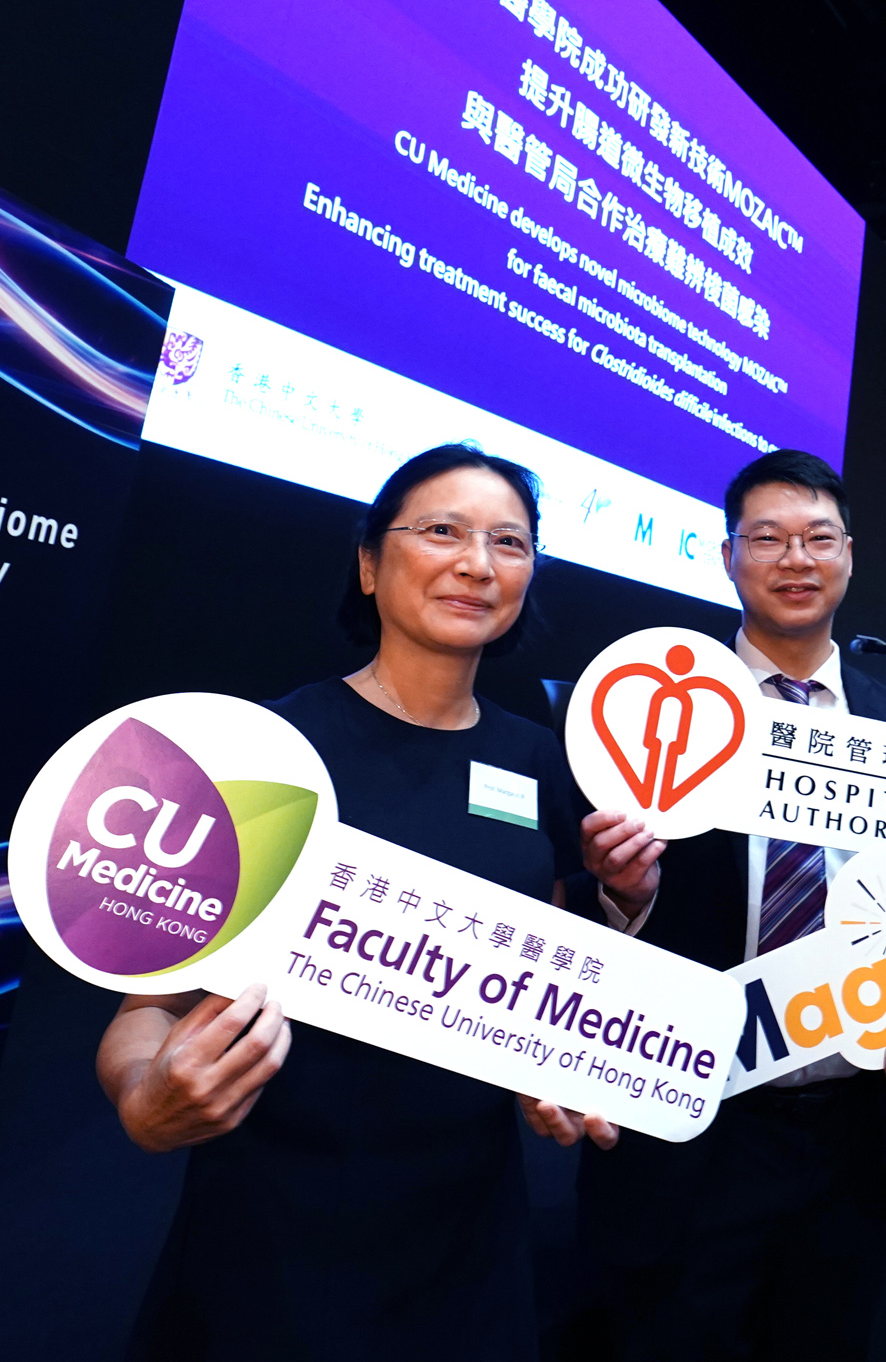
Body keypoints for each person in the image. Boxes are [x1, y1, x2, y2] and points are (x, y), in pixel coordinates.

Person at [99, 444, 581, 1361]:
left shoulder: (539, 764)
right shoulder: (265, 748)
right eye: (443, 531)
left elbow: (548, 988)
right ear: (369, 562)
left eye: (509, 543)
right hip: (276, 1226)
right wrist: (141, 1095)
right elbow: (147, 1008)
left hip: (466, 1233)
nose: (477, 564)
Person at [542, 448, 886, 1362]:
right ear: (727, 557)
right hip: (687, 1122)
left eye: (819, 538)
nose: (797, 559)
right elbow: (583, 917)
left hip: (849, 1131)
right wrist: (623, 892)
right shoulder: (655, 712)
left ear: (852, 556)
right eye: (770, 539)